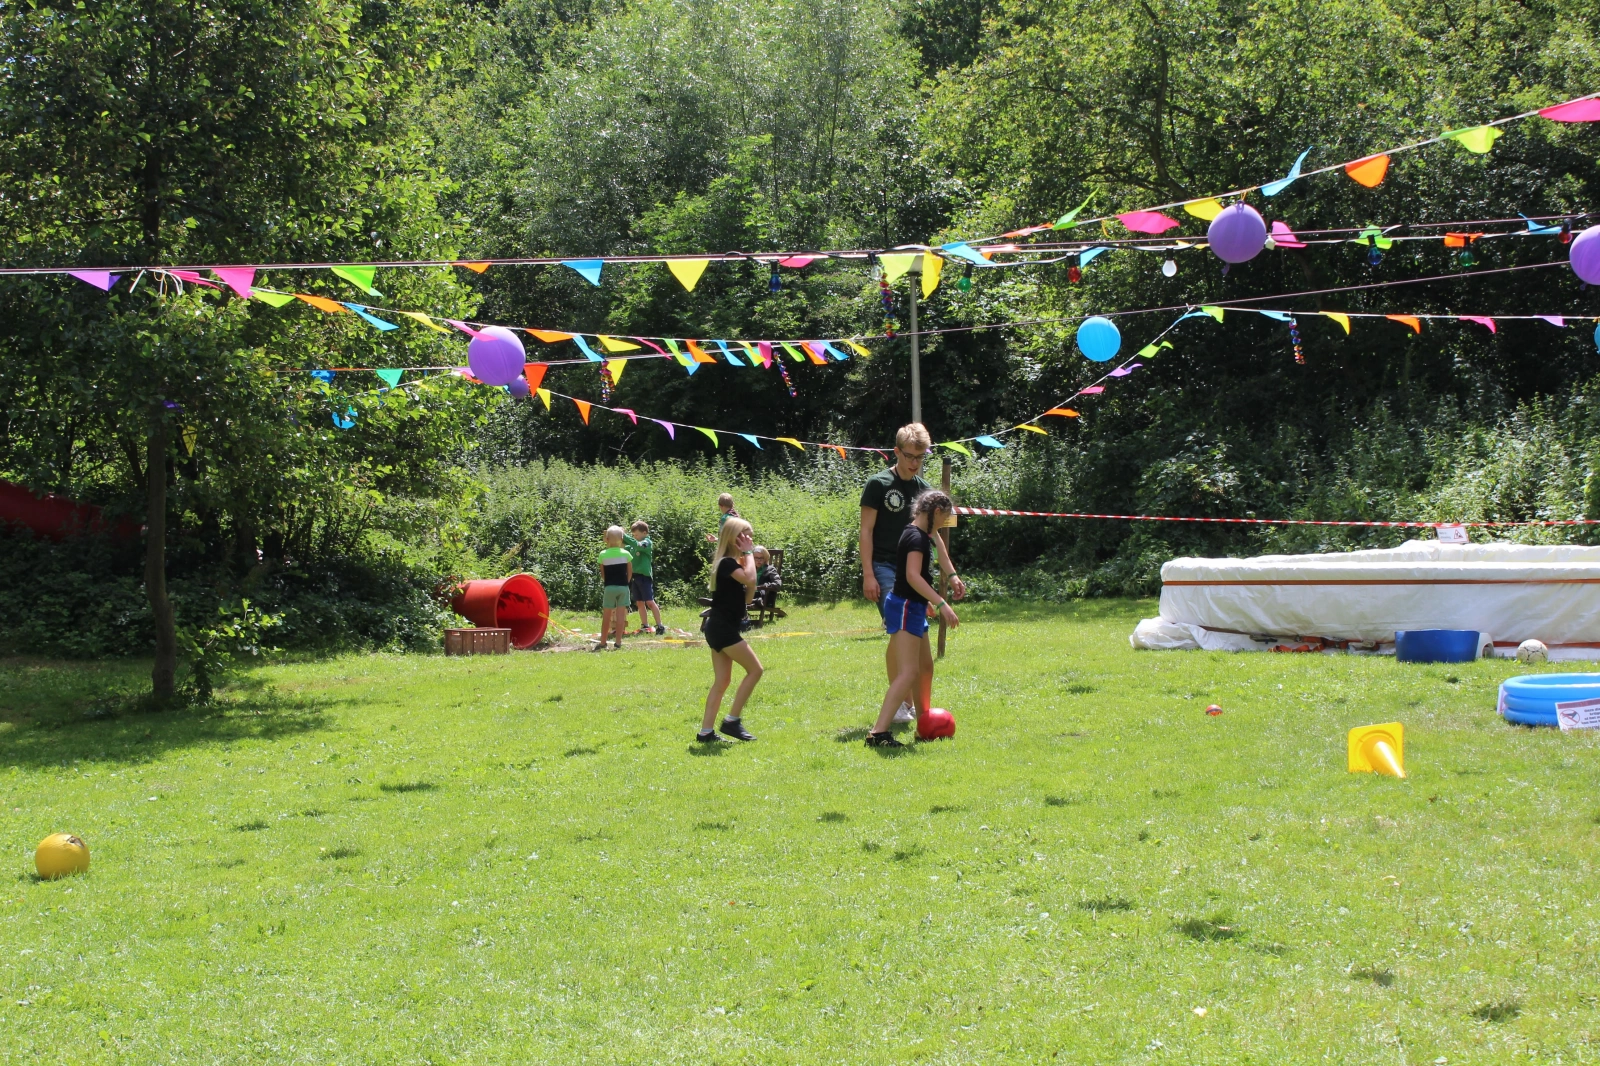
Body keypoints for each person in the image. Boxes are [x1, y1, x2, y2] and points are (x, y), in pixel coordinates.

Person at [860, 423, 966, 722]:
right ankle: (902, 704)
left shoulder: (923, 489)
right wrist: (868, 573)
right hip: (884, 566)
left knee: (907, 632)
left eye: (920, 457)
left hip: (914, 569)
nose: (914, 463)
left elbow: (937, 537)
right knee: (900, 629)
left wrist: (952, 575)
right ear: (896, 452)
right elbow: (866, 531)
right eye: (909, 456)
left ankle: (913, 705)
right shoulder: (878, 484)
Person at [868, 491, 960, 747]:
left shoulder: (921, 531)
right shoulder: (916, 538)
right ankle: (878, 733)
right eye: (942, 521)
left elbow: (937, 552)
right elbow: (912, 577)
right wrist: (941, 604)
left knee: (925, 668)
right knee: (908, 672)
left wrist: (947, 581)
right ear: (936, 513)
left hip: (914, 605)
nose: (941, 528)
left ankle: (924, 723)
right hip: (906, 606)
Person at [698, 517, 763, 742]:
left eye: (750, 536)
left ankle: (706, 733)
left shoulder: (732, 563)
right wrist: (749, 556)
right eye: (745, 536)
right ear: (733, 538)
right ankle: (732, 721)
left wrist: (748, 563)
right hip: (722, 628)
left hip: (719, 627)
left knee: (722, 681)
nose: (749, 541)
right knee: (756, 670)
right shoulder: (726, 563)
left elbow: (747, 595)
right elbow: (750, 579)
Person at [595, 526, 632, 651]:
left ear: (607, 539)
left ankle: (603, 642)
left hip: (609, 587)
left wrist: (608, 583)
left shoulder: (603, 555)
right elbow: (630, 572)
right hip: (623, 587)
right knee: (621, 616)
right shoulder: (626, 554)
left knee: (606, 616)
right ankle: (618, 643)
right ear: (622, 539)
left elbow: (603, 574)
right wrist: (625, 583)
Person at [625, 520, 664, 634]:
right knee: (639, 603)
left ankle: (660, 626)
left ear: (645, 533)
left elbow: (637, 545)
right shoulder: (632, 546)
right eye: (633, 535)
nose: (635, 537)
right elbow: (624, 546)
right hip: (635, 577)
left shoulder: (647, 542)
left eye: (637, 535)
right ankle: (645, 625)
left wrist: (624, 536)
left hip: (644, 577)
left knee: (650, 602)